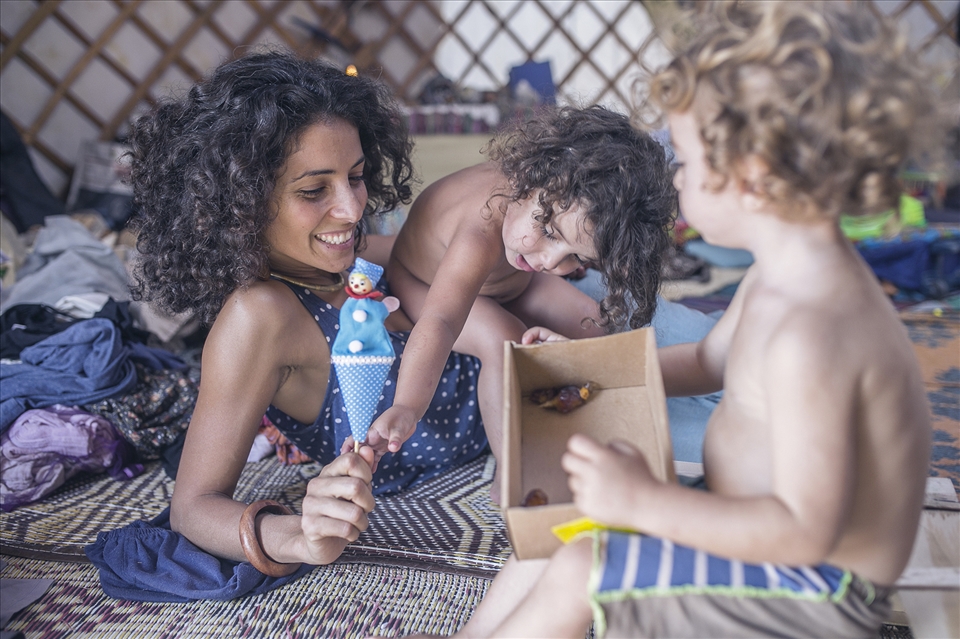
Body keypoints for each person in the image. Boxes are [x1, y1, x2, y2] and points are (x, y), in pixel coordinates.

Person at [387, 1, 941, 637]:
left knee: (584, 566)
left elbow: (806, 530)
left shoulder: (813, 331)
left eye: (689, 160)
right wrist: (576, 369)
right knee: (563, 537)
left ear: (751, 178)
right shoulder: (779, 281)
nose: (680, 179)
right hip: (742, 528)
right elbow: (707, 363)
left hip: (812, 589)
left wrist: (648, 502)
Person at [127, 50, 489, 572]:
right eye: (314, 190)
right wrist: (297, 538)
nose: (352, 207)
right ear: (241, 202)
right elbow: (193, 508)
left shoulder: (361, 262)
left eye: (357, 176)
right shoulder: (261, 316)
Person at [370, 106, 676, 498]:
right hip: (424, 283)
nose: (551, 261)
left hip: (512, 279)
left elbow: (545, 263)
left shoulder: (532, 243)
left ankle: (601, 431)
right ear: (531, 179)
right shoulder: (481, 226)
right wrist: (407, 407)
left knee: (594, 324)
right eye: (548, 231)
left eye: (577, 258)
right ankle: (512, 471)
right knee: (504, 340)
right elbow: (441, 321)